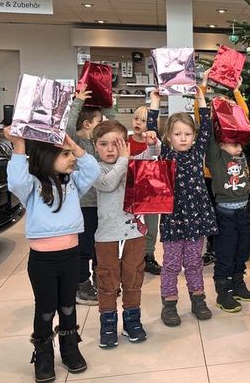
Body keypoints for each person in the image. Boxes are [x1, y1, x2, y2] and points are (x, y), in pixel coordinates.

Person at [5, 127, 100, 382]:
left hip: (70, 257)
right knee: (46, 309)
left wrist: (75, 146)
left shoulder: (74, 183)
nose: (71, 158)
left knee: (68, 306)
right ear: (46, 157)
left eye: (71, 154)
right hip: (43, 262)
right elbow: (15, 181)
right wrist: (19, 145)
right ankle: (44, 354)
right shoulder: (32, 186)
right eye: (65, 154)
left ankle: (70, 348)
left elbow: (93, 170)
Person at [148, 76, 216, 327]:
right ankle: (169, 304)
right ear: (169, 137)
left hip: (197, 214)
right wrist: (155, 103)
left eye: (188, 134)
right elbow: (151, 133)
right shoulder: (166, 153)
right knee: (172, 263)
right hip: (174, 216)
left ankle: (198, 300)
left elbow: (206, 128)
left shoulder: (198, 150)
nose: (184, 138)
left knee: (194, 262)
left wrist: (201, 99)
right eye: (178, 134)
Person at [92, 120, 161, 348]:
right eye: (103, 144)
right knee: (107, 280)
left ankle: (132, 320)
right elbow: (108, 184)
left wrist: (152, 144)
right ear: (95, 147)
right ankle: (108, 324)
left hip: (134, 234)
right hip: (107, 236)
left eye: (117, 144)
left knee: (133, 278)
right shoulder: (96, 169)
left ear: (127, 145)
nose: (110, 149)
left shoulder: (131, 163)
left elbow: (152, 156)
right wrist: (124, 159)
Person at [206, 81, 250, 313]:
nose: (238, 148)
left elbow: (243, 118)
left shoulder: (240, 153)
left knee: (241, 250)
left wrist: (237, 92)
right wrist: (212, 112)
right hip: (225, 213)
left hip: (242, 212)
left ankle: (238, 284)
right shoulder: (216, 155)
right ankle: (223, 292)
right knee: (225, 253)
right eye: (233, 143)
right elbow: (209, 133)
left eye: (240, 144)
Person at [66, 90, 116, 306]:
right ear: (87, 124)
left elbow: (112, 128)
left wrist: (107, 104)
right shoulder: (76, 140)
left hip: (103, 203)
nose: (102, 123)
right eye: (98, 120)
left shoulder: (99, 142)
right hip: (84, 205)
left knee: (101, 245)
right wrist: (78, 101)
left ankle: (101, 278)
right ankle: (81, 284)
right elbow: (68, 125)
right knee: (84, 247)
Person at [129, 105, 162, 276]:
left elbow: (156, 154)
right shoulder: (125, 140)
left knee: (151, 227)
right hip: (131, 192)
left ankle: (148, 255)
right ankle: (131, 258)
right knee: (132, 225)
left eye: (143, 121)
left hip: (150, 192)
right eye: (136, 119)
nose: (138, 123)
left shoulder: (155, 143)